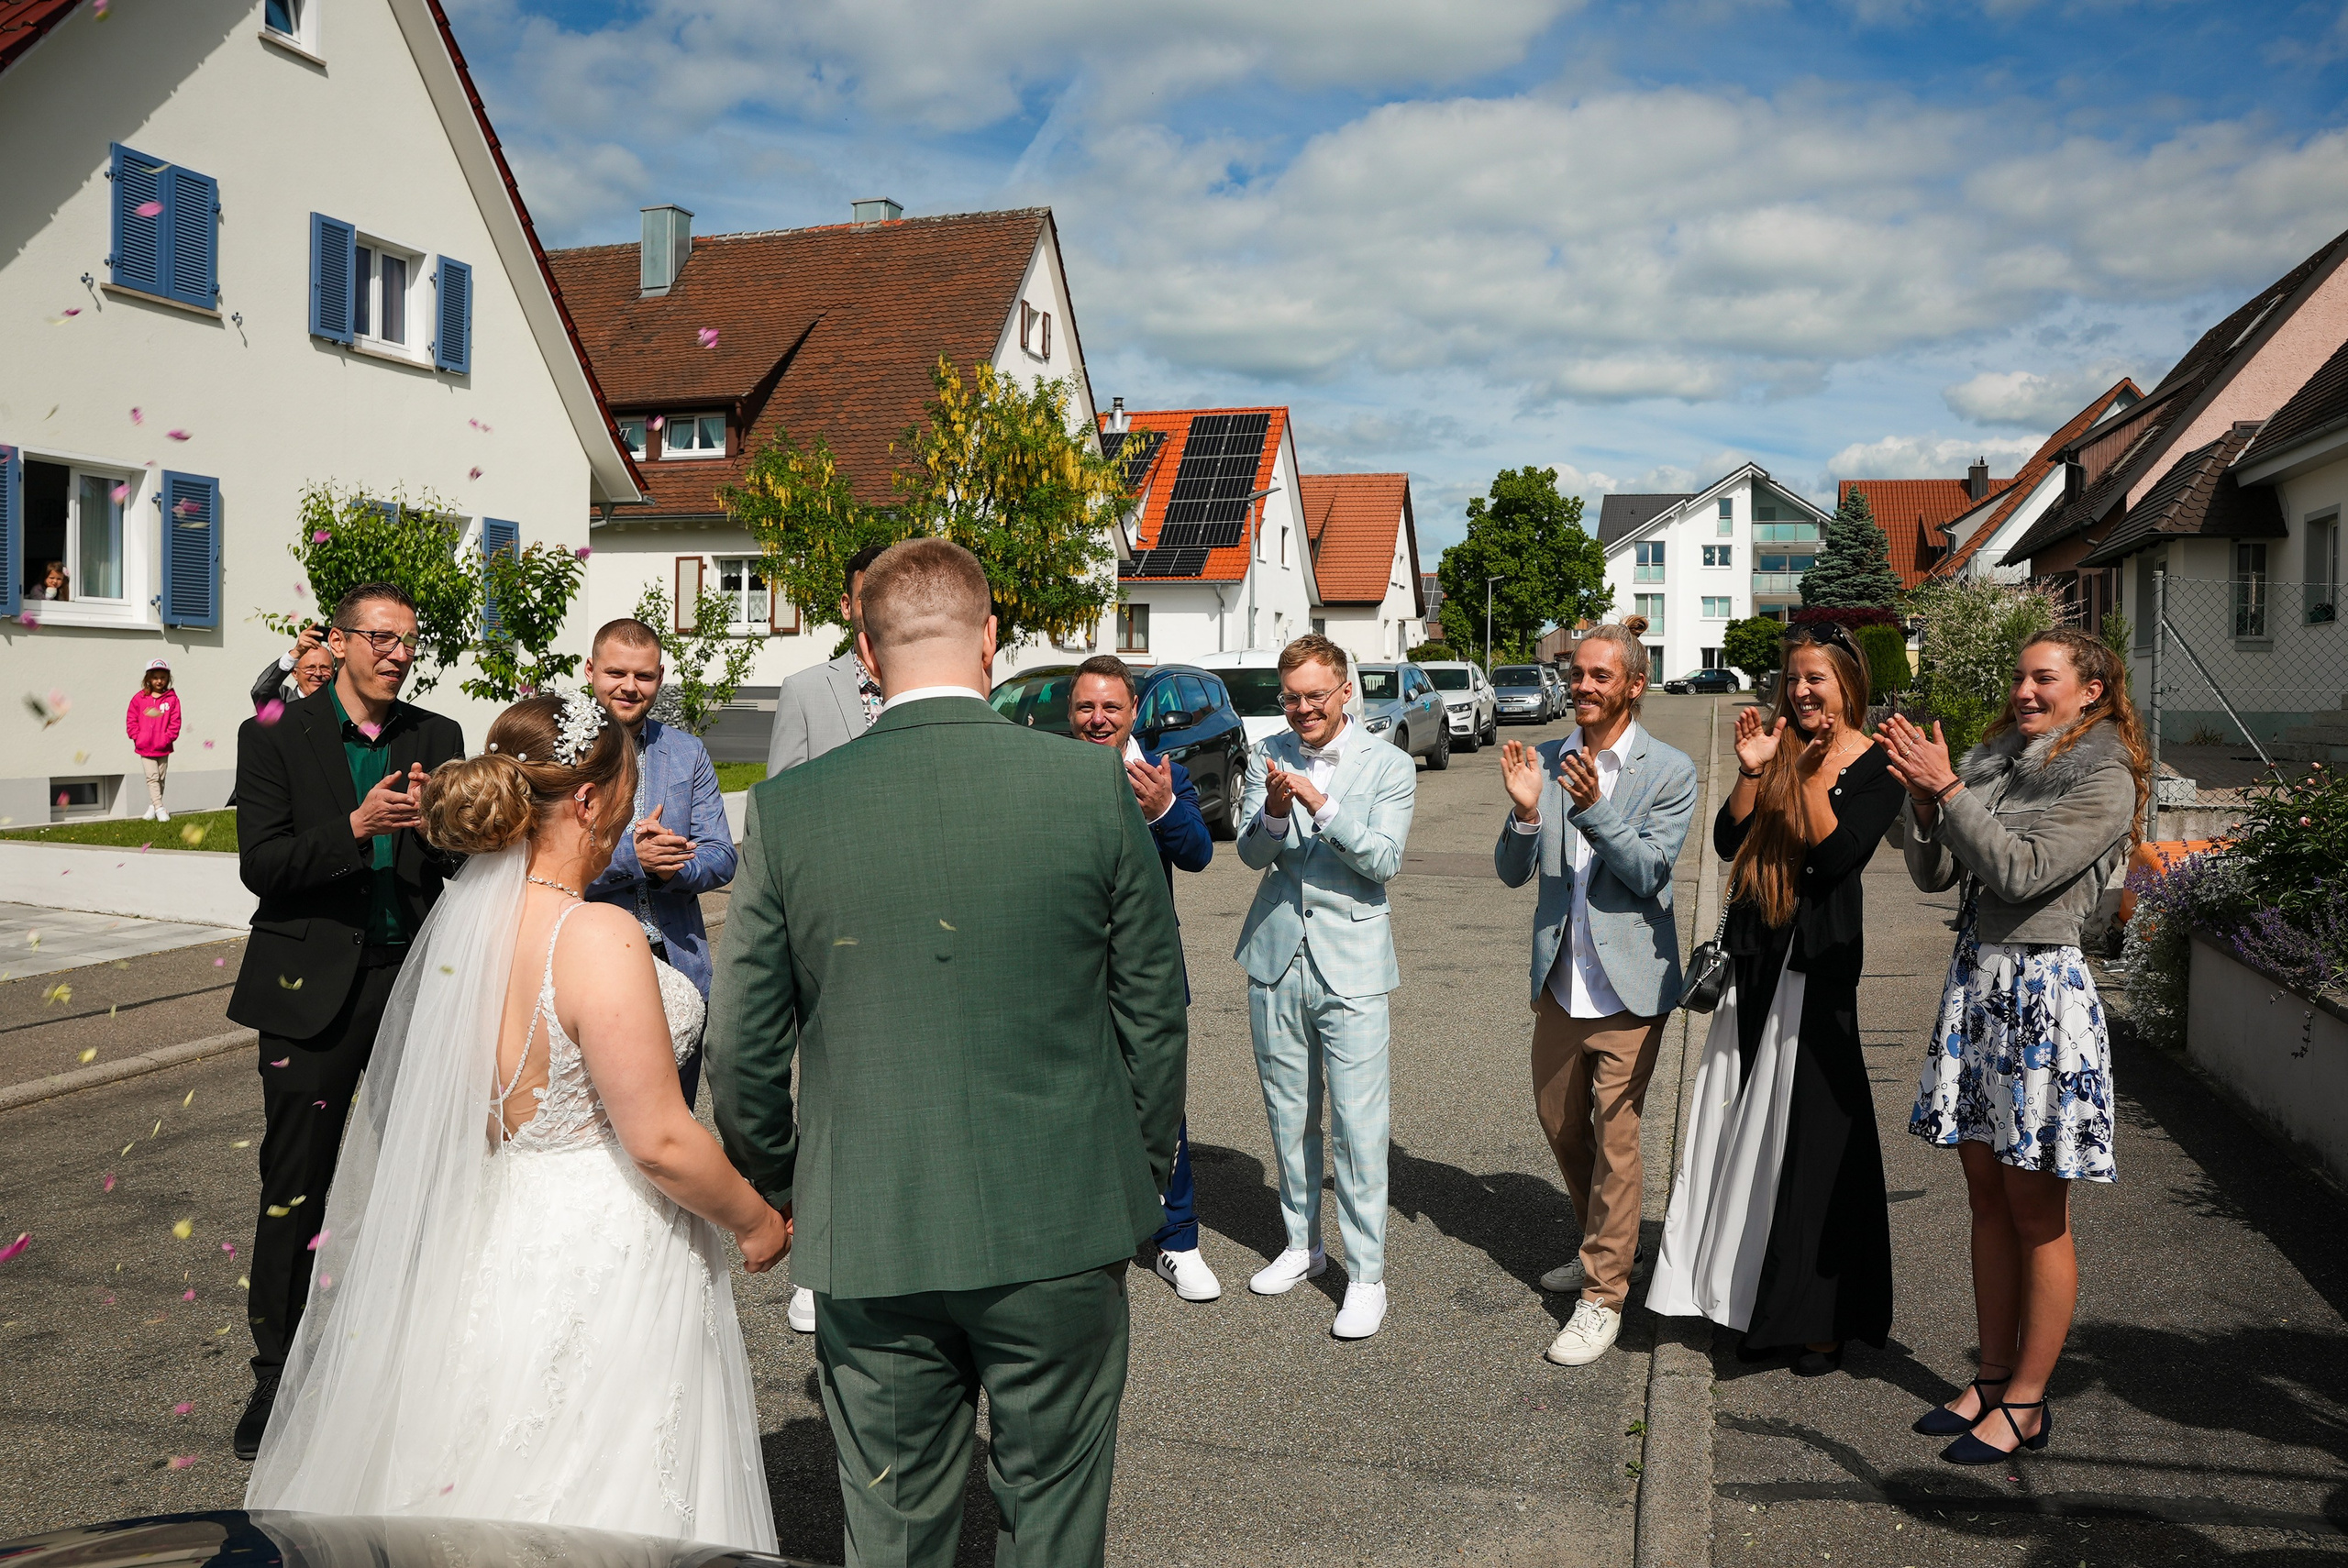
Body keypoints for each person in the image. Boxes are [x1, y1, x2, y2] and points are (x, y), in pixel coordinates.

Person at [707, 539, 1187, 1568]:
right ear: (992, 643)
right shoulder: (1089, 789)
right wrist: (1134, 1180)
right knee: (1053, 1520)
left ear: (867, 655)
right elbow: (1152, 1013)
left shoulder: (789, 808)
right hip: (1063, 1212)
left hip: (871, 1218)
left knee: (891, 1530)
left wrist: (786, 1185)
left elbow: (742, 1041)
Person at [244, 692, 790, 1545]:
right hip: (604, 1244)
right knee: (604, 1489)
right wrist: (756, 1222)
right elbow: (660, 1140)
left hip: (490, 1229)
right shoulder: (597, 936)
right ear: (587, 799)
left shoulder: (461, 932)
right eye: (628, 787)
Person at [1882, 630, 2146, 1464]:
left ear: (2093, 691)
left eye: (2046, 678)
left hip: (2041, 995)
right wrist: (1928, 805)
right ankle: (1991, 1378)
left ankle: (2029, 1402)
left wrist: (1948, 790)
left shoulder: (2104, 777)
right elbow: (1936, 877)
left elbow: (2023, 873)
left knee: (2037, 1212)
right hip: (1979, 985)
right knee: (1986, 1196)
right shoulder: (1997, 764)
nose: (2026, 691)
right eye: (2021, 676)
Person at [225, 583, 466, 1462]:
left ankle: (405, 1359)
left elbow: (450, 859)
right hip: (306, 987)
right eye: (382, 638)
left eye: (410, 639)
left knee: (416, 1176)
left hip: (410, 981)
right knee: (296, 1182)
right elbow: (264, 864)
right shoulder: (276, 733)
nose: (399, 654)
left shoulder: (434, 735)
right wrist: (358, 827)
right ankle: (276, 1371)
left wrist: (443, 827)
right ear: (339, 641)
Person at [1648, 622, 1902, 1375]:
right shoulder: (1782, 749)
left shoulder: (1877, 763)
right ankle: (1743, 1291)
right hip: (1758, 957)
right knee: (1743, 1132)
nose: (1799, 691)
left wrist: (1808, 773)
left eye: (1815, 679)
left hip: (1817, 970)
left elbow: (1835, 857)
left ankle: (1822, 1318)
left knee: (1817, 1146)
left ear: (1847, 683)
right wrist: (1756, 770)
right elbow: (1731, 842)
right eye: (1792, 678)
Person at [1493, 624, 1698, 1367]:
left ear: (1633, 685)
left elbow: (1648, 873)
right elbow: (1511, 872)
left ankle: (1603, 1295)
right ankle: (1604, 1249)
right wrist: (1523, 814)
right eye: (1576, 673)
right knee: (1561, 1126)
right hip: (1561, 981)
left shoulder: (1668, 770)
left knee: (1615, 1137)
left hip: (1630, 987)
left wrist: (1592, 808)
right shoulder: (1545, 760)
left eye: (1598, 677)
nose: (1581, 686)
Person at [1234, 632, 1416, 1341]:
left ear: (1345, 692)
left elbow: (1384, 861)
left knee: (1359, 1128)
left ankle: (1366, 1276)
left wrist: (1323, 803)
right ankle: (1302, 1247)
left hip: (1354, 962)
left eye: (1316, 696)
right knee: (1288, 1115)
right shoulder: (1265, 754)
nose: (1303, 709)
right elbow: (1252, 852)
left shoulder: (1390, 763)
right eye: (1292, 698)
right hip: (1277, 955)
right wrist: (1278, 812)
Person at [759, 541, 887, 1335]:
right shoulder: (811, 689)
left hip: (915, 928)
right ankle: (819, 1262)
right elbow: (779, 808)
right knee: (829, 1094)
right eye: (864, 592)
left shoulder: (935, 683)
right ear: (848, 604)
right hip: (832, 931)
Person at [1070, 654, 1220, 1302]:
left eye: (1111, 707)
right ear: (1070, 716)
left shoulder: (1167, 774)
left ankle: (1176, 1238)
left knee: (1161, 1102)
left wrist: (1163, 810)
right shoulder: (1045, 777)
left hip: (1147, 977)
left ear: (1134, 712)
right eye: (1085, 707)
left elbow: (1198, 853)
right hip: (1064, 975)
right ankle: (1079, 1233)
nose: (1098, 718)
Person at [582, 618, 737, 1104]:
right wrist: (634, 858)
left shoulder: (686, 751)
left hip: (678, 962)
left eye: (644, 676)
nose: (630, 687)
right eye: (616, 673)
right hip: (589, 961)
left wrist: (677, 867)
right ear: (590, 671)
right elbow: (539, 859)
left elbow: (721, 854)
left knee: (675, 1114)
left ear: (660, 677)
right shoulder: (561, 747)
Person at [764, 542, 890, 776]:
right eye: (867, 598)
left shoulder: (930, 687)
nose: (879, 608)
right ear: (846, 606)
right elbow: (782, 797)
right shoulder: (803, 693)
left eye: (888, 596)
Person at [126, 658, 183, 823]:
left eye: (163, 677)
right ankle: (160, 808)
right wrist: (136, 736)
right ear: (148, 678)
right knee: (152, 777)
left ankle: (152, 806)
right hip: (145, 746)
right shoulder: (139, 699)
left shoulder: (172, 700)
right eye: (155, 677)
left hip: (163, 746)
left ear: (167, 679)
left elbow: (175, 721)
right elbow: (131, 719)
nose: (159, 681)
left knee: (160, 778)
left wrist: (168, 738)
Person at [249, 626, 338, 712]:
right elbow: (261, 692)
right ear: (295, 673)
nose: (318, 674)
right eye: (310, 668)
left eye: (325, 668)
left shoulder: (340, 704)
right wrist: (296, 653)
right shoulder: (284, 700)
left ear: (333, 672)